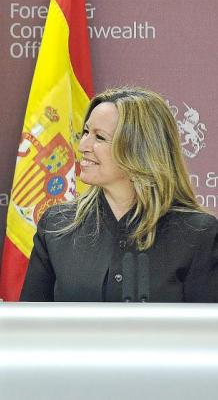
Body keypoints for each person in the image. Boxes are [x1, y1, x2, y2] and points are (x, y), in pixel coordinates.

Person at [20, 86, 218, 302]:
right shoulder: (57, 225)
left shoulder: (199, 234)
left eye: (100, 137)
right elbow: (30, 320)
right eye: (85, 132)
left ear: (140, 150)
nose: (83, 145)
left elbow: (207, 323)